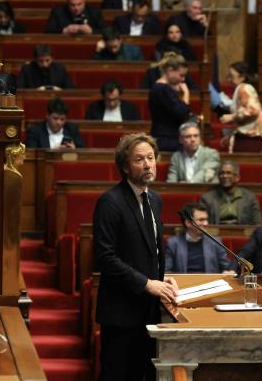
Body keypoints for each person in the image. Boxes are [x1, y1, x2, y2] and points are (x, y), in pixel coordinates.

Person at [93, 132, 178, 381]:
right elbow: (105, 258)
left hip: (149, 313)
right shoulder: (110, 202)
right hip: (121, 314)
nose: (148, 164)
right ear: (125, 166)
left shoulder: (155, 199)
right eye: (139, 159)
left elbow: (151, 250)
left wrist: (163, 278)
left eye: (151, 158)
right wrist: (146, 283)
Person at [165, 203, 231, 273]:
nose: (206, 223)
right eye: (201, 220)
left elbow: (226, 267)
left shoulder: (215, 242)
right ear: (188, 223)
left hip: (209, 282)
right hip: (183, 283)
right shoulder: (173, 243)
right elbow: (167, 271)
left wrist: (227, 271)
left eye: (206, 219)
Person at [149, 53, 194, 152]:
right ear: (170, 71)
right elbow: (182, 114)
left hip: (165, 138)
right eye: (181, 75)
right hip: (167, 140)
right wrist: (186, 94)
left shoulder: (161, 88)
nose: (183, 79)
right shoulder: (162, 89)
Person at [219, 62, 262, 152]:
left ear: (242, 77)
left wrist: (231, 117)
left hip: (249, 140)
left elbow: (253, 109)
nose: (229, 79)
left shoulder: (244, 88)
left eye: (232, 76)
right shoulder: (243, 88)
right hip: (246, 138)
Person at [200, 161, 262, 225]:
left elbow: (257, 224)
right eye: (222, 173)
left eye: (229, 173)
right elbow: (202, 224)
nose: (224, 176)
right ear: (218, 177)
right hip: (215, 234)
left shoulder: (250, 198)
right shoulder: (207, 198)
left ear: (237, 177)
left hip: (242, 234)